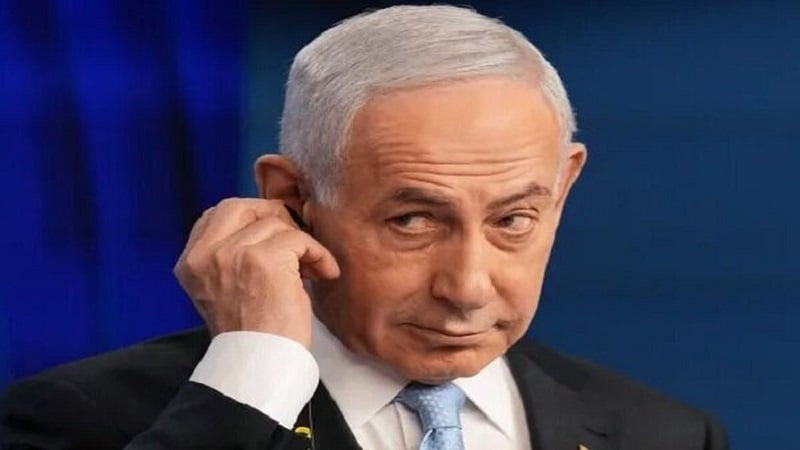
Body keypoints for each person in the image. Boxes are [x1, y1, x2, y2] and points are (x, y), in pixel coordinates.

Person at [0, 5, 727, 450]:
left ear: (564, 186)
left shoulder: (665, 435)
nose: (468, 289)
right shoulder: (75, 419)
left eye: (513, 219)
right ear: (291, 198)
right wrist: (254, 372)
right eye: (412, 220)